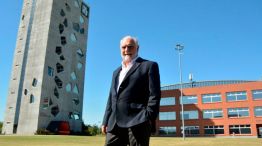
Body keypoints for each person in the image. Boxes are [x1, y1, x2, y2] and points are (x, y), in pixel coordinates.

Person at [101, 35, 161, 146]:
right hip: (114, 123)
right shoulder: (116, 72)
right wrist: (105, 120)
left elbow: (155, 94)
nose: (126, 50)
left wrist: (148, 116)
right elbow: (111, 97)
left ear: (137, 48)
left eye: (130, 47)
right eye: (124, 47)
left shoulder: (149, 65)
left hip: (138, 120)